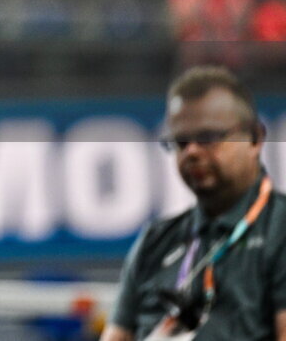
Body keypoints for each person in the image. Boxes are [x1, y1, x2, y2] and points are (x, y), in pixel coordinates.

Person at [101, 66, 286, 341]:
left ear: (255, 138)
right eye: (181, 141)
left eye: (209, 137)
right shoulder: (155, 241)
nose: (192, 152)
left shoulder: (279, 229)